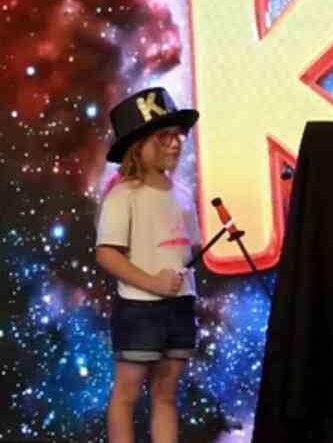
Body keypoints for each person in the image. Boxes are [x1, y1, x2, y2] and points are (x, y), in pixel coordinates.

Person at [95, 87, 201, 443]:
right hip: (139, 310)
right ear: (137, 145)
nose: (175, 144)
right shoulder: (123, 195)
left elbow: (189, 248)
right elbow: (106, 253)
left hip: (181, 307)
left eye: (177, 136)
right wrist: (153, 283)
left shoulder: (183, 195)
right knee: (127, 393)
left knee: (166, 394)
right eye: (164, 136)